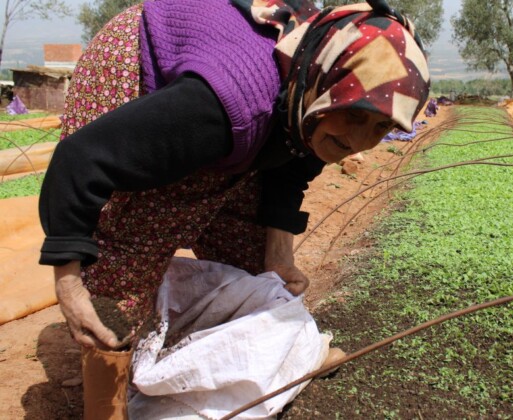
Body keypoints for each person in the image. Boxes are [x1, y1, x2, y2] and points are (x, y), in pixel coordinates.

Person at [38, 0, 429, 417]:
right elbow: (81, 160)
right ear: (326, 87)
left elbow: (292, 162)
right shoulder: (225, 106)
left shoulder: (313, 96)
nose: (358, 141)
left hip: (234, 99)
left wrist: (278, 253)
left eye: (381, 126)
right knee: (134, 235)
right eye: (353, 115)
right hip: (136, 60)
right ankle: (106, 403)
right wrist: (69, 278)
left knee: (251, 254)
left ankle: (263, 358)